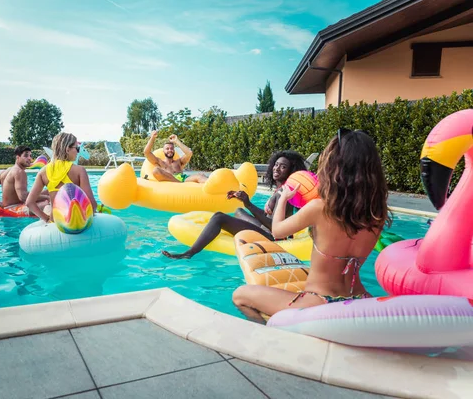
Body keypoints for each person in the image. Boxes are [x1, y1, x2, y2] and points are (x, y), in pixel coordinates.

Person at [232, 128, 391, 323]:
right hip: (359, 298)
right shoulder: (377, 212)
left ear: (333, 166)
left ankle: (271, 333)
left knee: (240, 296)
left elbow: (277, 230)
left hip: (321, 302)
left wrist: (283, 198)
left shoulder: (320, 208)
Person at [161, 150, 307, 259]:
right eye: (276, 165)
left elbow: (275, 228)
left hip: (272, 237)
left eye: (283, 167)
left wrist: (248, 204)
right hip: (266, 228)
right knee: (238, 211)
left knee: (219, 218)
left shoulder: (284, 193)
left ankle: (189, 253)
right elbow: (269, 217)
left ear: (291, 171)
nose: (276, 168)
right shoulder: (280, 188)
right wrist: (244, 201)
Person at [26, 132, 98, 223]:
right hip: (76, 223)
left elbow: (29, 203)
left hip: (56, 222)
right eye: (77, 148)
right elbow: (92, 204)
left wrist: (46, 218)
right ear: (67, 149)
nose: (77, 151)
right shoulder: (79, 170)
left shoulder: (43, 172)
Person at [0, 145, 50, 211]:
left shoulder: (6, 171)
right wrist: (47, 198)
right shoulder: (20, 172)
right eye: (26, 155)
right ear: (18, 157)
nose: (29, 158)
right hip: (15, 208)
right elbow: (23, 197)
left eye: (30, 156)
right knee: (47, 203)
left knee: (49, 191)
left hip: (6, 205)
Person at [143, 130, 208, 183]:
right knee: (155, 170)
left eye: (171, 148)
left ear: (174, 150)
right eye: (167, 149)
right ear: (163, 151)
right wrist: (152, 138)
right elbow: (146, 152)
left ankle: (216, 188)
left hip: (184, 179)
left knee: (200, 175)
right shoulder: (159, 162)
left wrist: (177, 141)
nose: (170, 150)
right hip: (172, 180)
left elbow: (189, 153)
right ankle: (178, 183)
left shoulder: (179, 162)